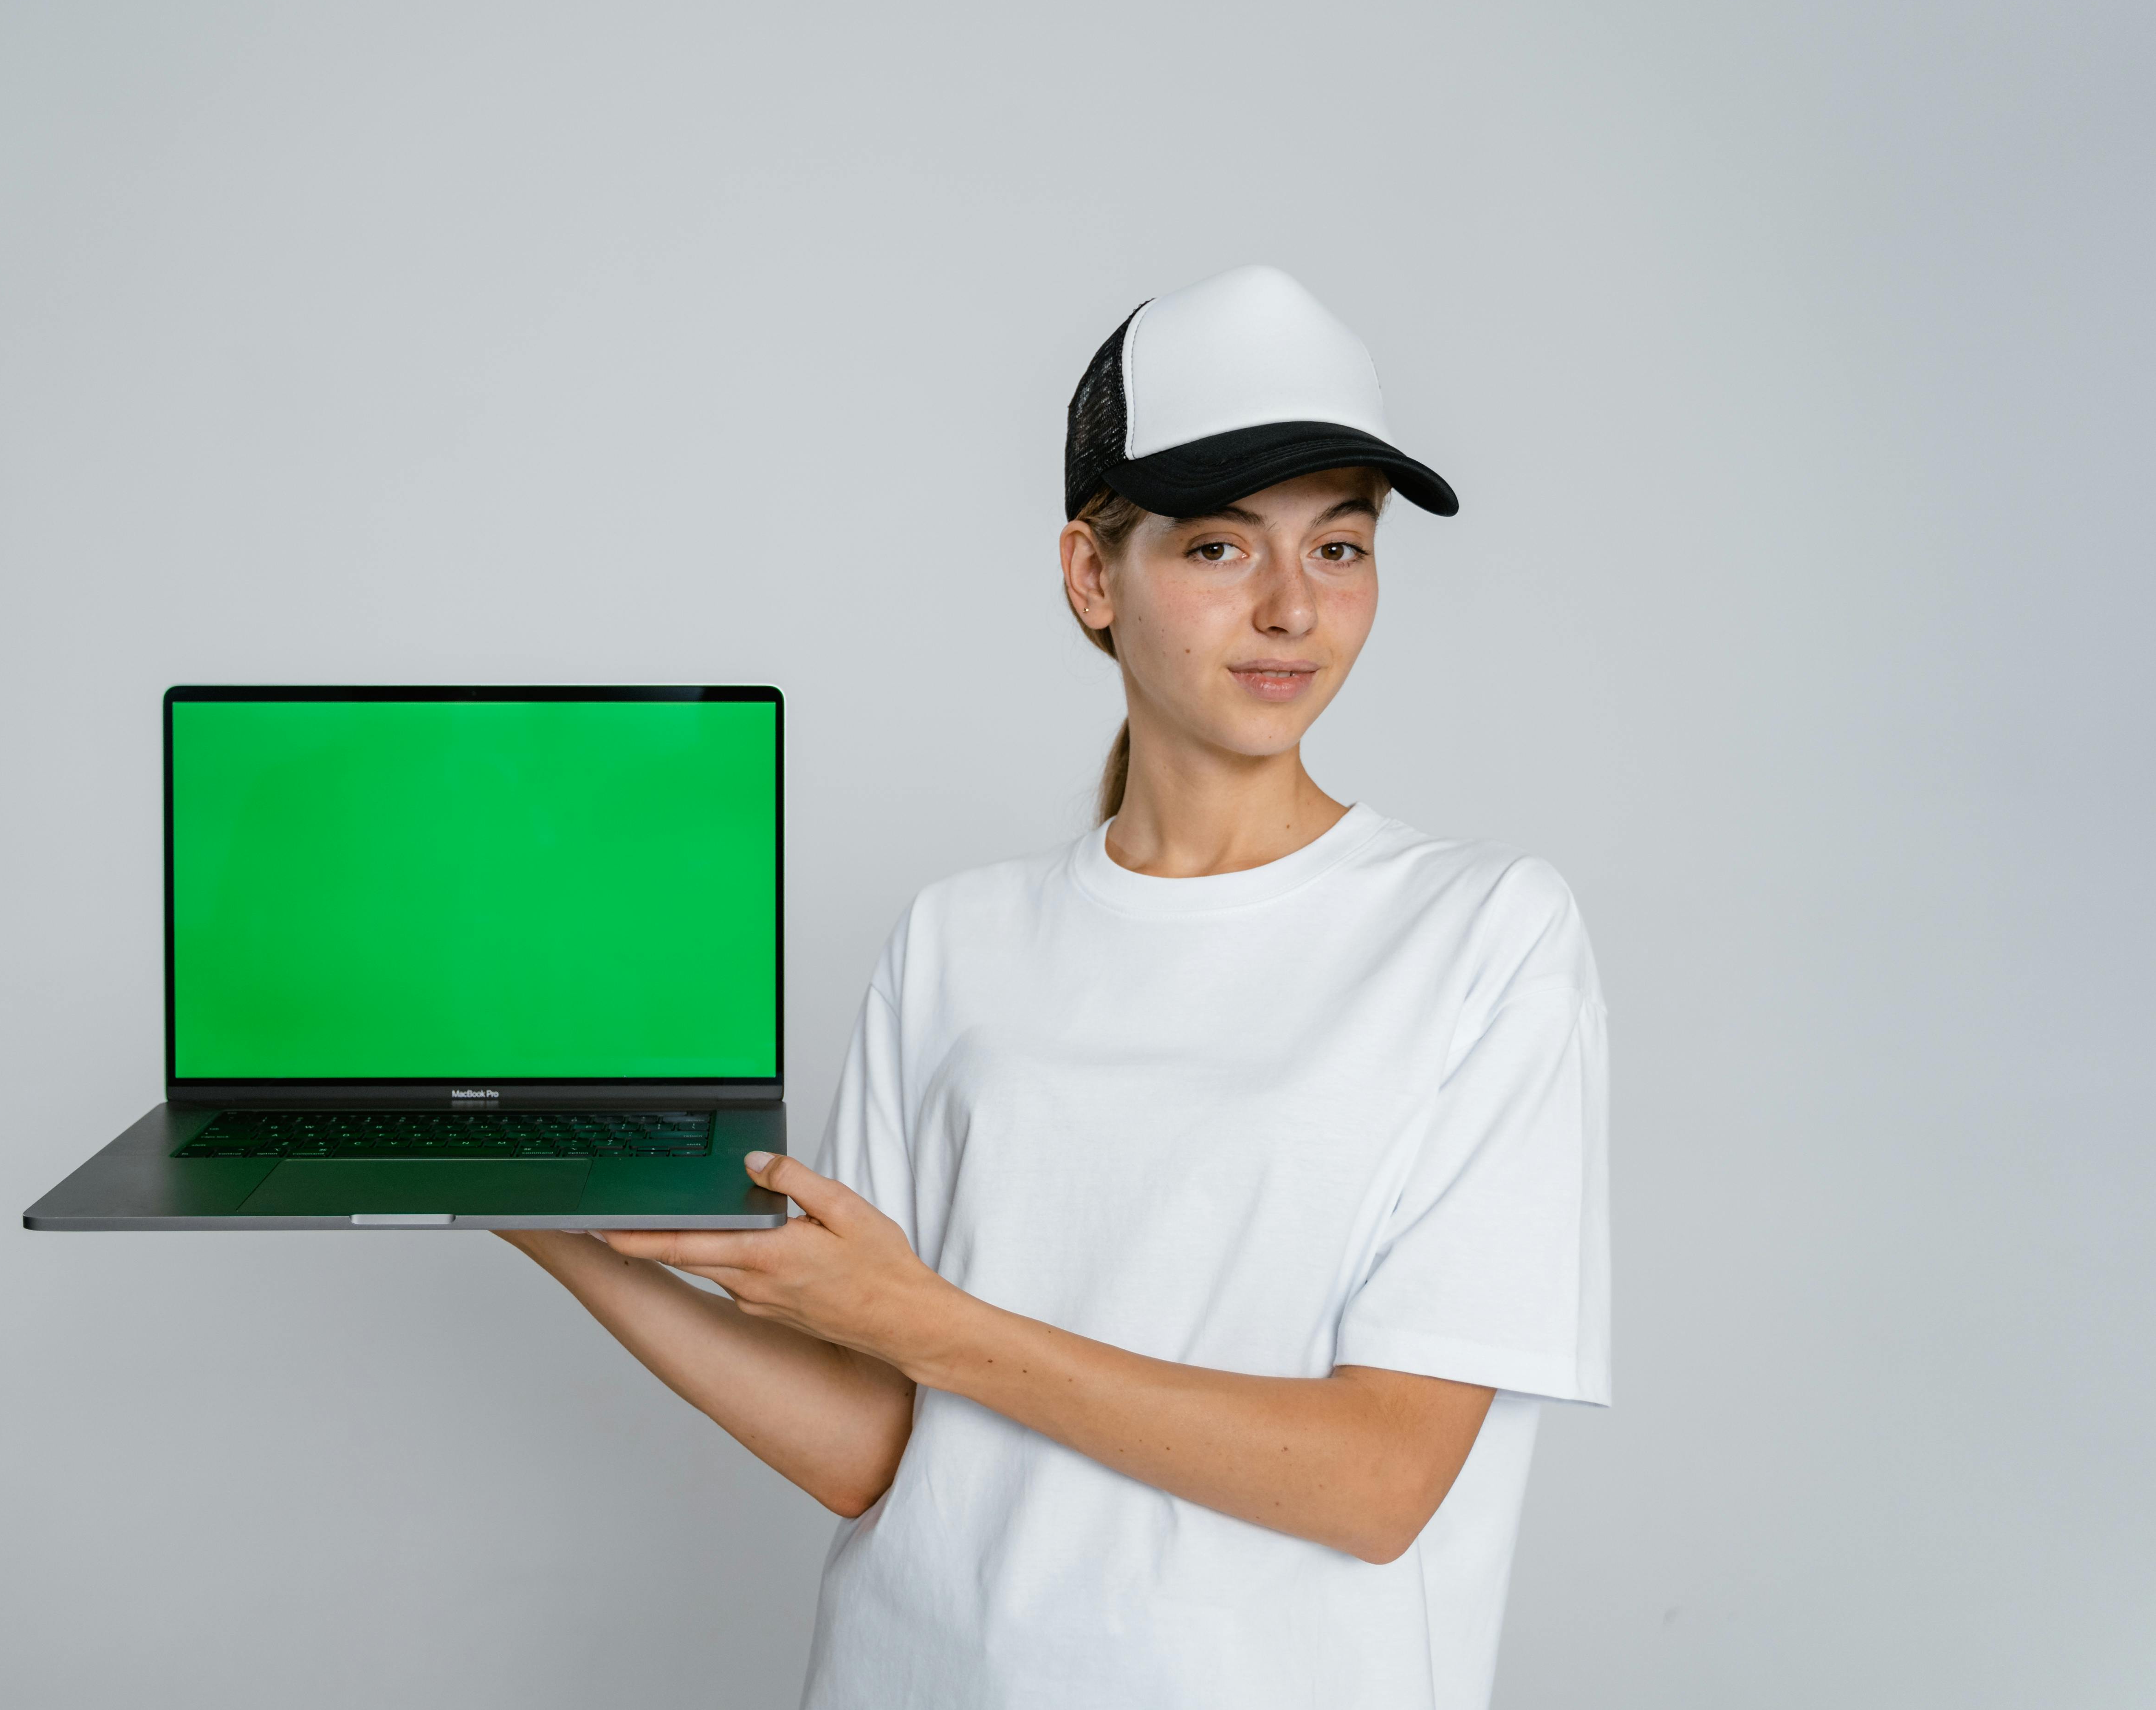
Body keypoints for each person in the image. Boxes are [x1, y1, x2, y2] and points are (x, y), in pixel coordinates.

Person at [500, 264, 1611, 1710]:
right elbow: (875, 1449)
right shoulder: (955, 938)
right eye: (1220, 548)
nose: (1291, 608)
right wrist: (536, 1216)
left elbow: (1379, 1478)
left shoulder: (1485, 937)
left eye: (1340, 548)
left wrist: (930, 1321)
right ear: (1094, 575)